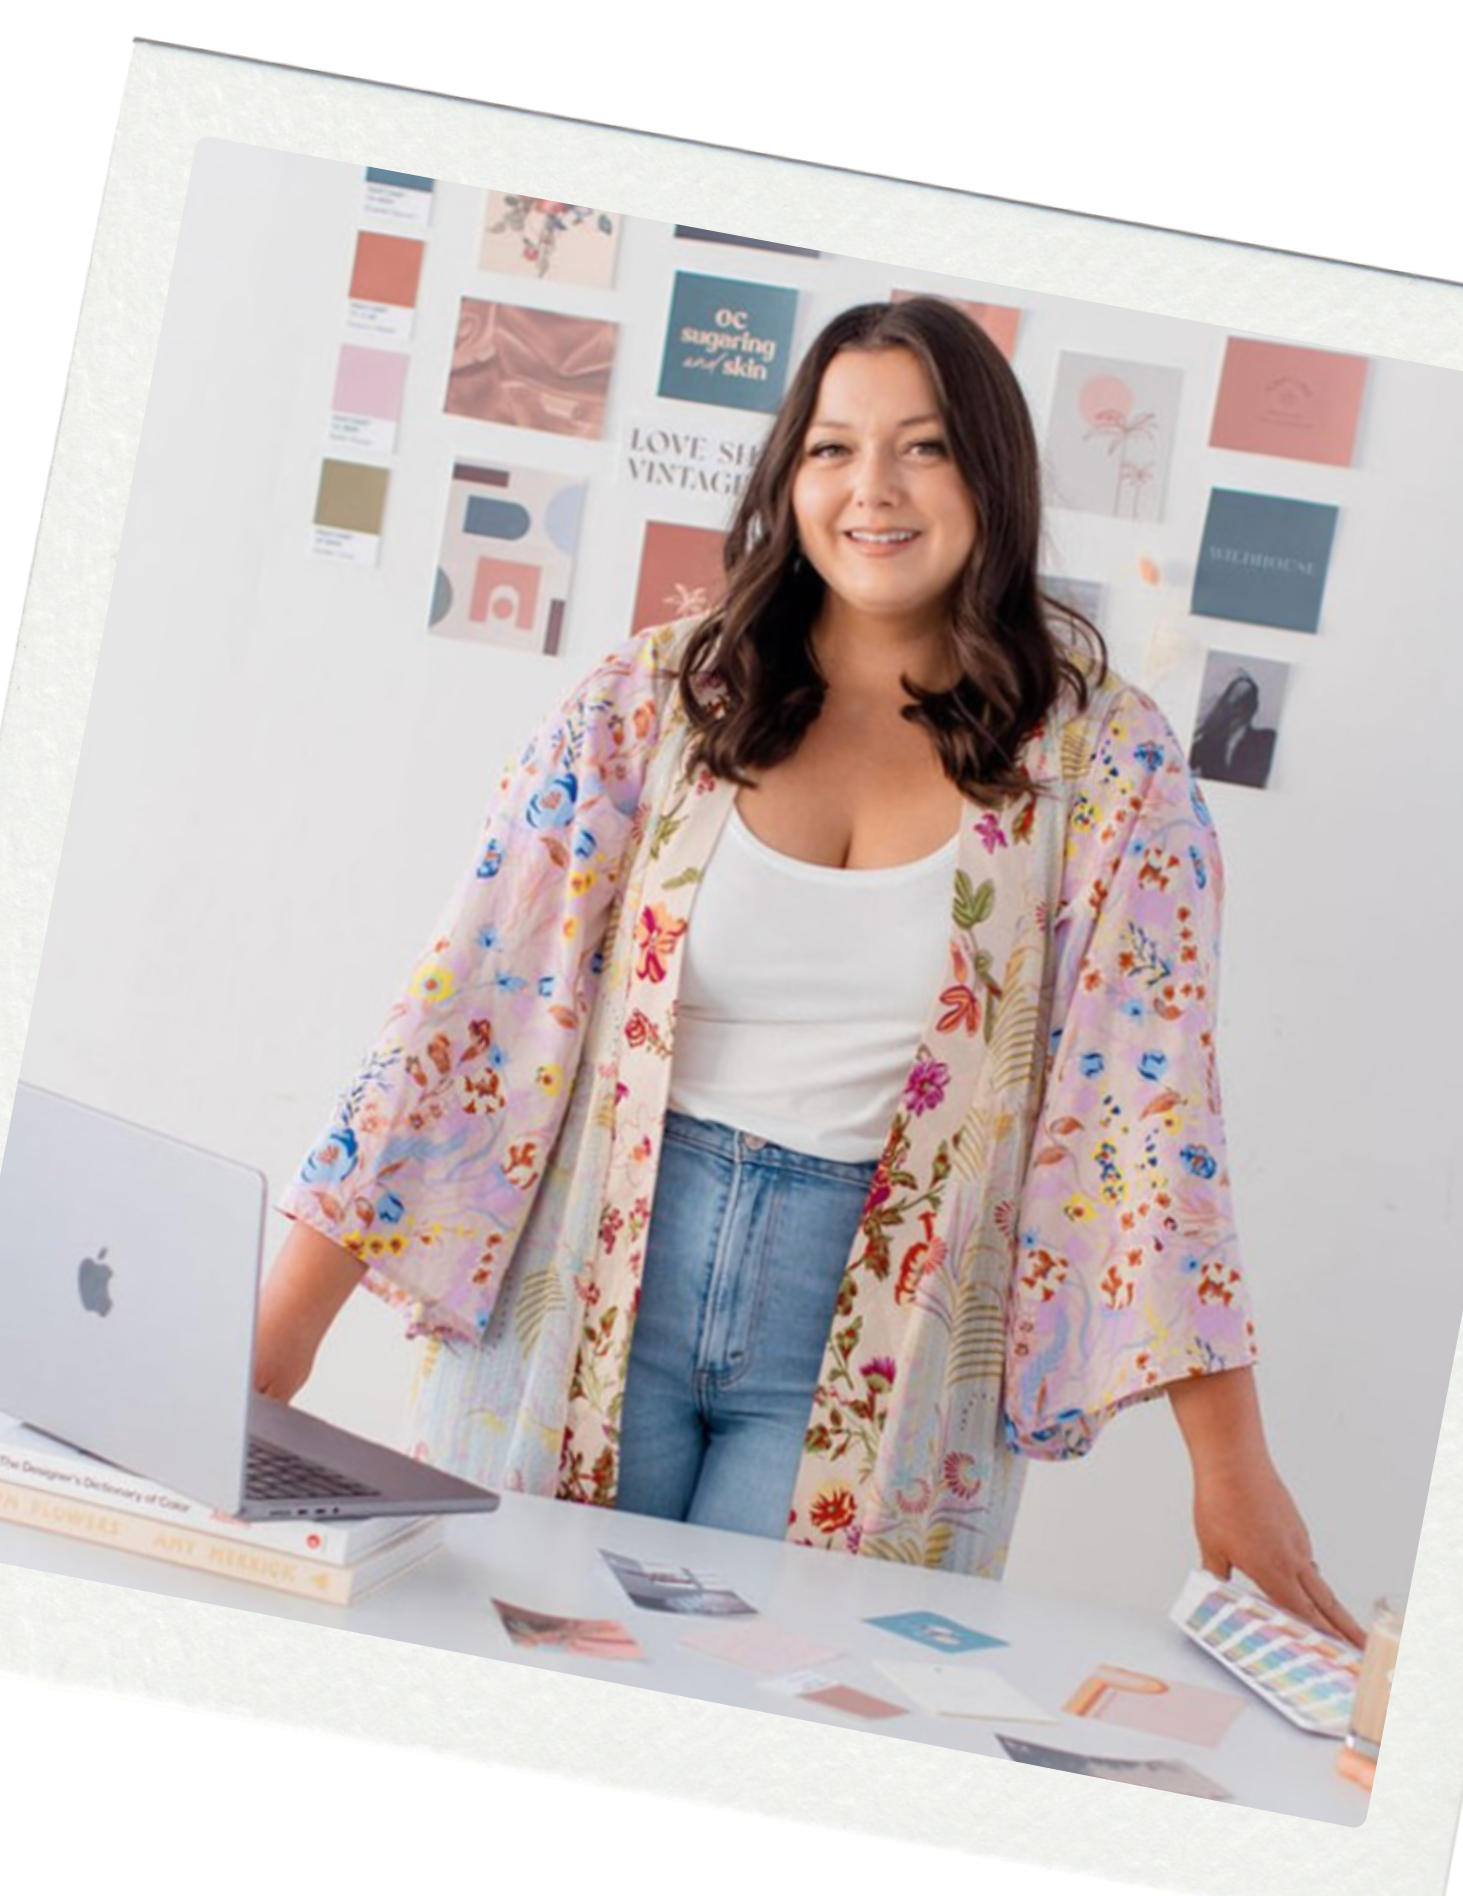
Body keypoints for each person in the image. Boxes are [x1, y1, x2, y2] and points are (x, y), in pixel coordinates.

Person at [255, 296, 1363, 1644]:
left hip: (888, 1348)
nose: (872, 490)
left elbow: (1155, 1113)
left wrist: (1229, 1466)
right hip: (591, 1298)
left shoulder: (1107, 768)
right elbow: (464, 1011)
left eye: (924, 447)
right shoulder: (657, 699)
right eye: (832, 449)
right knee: (512, 1672)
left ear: (994, 478)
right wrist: (278, 1346)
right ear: (791, 476)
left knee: (776, 1714)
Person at [1191, 670, 1278, 789]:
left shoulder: (1267, 740)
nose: (1237, 705)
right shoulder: (1205, 745)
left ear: (1253, 706)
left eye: (1244, 699)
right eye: (1234, 697)